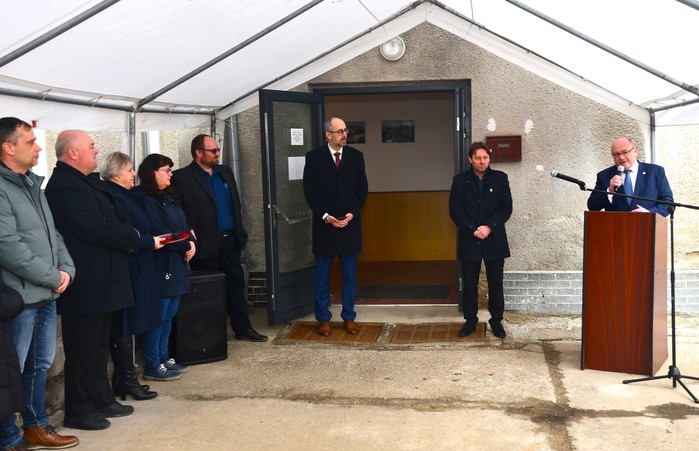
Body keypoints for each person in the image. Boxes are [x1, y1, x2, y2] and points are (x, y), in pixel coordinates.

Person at [44, 130, 140, 431]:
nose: (97, 151)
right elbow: (94, 227)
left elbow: (112, 218)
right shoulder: (64, 186)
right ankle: (79, 409)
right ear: (73, 153)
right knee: (83, 349)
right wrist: (130, 235)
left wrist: (127, 232)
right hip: (86, 283)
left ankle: (101, 398)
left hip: (102, 280)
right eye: (91, 146)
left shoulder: (85, 182)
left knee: (99, 346)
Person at [0, 118, 79, 450]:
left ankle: (35, 426)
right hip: (20, 298)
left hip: (47, 293)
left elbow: (53, 233)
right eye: (30, 142)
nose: (38, 147)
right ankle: (8, 437)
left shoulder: (32, 183)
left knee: (39, 366)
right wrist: (53, 277)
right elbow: (8, 246)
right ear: (8, 147)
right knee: (10, 372)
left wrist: (66, 269)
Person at [171, 134, 267, 342]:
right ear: (198, 153)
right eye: (213, 150)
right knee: (207, 290)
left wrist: (240, 234)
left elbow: (235, 204)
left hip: (230, 241)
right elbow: (178, 211)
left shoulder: (225, 172)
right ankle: (209, 335)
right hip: (205, 244)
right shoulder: (182, 177)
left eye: (218, 149)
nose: (217, 153)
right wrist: (189, 237)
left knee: (236, 286)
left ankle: (243, 328)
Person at [99, 152, 164, 399]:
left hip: (139, 260)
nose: (133, 173)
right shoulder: (112, 195)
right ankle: (126, 379)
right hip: (128, 265)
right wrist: (145, 240)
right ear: (115, 174)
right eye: (129, 170)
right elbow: (125, 231)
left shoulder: (125, 194)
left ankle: (126, 378)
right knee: (125, 321)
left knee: (132, 320)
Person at [302, 116, 368, 337]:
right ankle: (323, 318)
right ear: (328, 134)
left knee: (350, 276)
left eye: (345, 131)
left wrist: (352, 213)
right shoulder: (314, 158)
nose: (344, 135)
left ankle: (349, 317)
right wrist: (325, 216)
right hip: (325, 227)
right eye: (340, 131)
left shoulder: (356, 157)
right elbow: (310, 192)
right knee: (322, 276)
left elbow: (362, 190)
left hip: (349, 225)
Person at [137, 154, 196, 381]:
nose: (171, 175)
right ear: (152, 173)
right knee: (158, 316)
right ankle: (153, 364)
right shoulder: (146, 199)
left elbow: (185, 227)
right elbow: (159, 231)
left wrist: (192, 242)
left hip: (177, 263)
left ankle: (164, 357)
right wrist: (186, 244)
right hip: (161, 265)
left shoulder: (170, 197)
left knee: (170, 314)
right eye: (166, 171)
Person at [449, 141, 512, 339]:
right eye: (478, 158)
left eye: (485, 157)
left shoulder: (501, 179)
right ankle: (470, 320)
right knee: (470, 284)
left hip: (494, 239)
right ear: (470, 159)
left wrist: (489, 227)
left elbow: (506, 208)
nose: (482, 161)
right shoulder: (460, 181)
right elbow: (455, 210)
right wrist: (473, 229)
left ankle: (496, 321)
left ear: (489, 158)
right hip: (470, 239)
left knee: (496, 283)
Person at [587, 136, 673, 216]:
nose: (621, 157)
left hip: (646, 225)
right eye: (616, 154)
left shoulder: (655, 172)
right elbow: (592, 206)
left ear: (635, 151)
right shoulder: (605, 176)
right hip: (615, 226)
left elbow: (668, 204)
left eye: (625, 152)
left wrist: (649, 213)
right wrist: (609, 191)